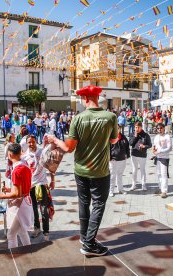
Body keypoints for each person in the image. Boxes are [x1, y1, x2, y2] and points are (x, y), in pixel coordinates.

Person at [48, 85, 118, 256]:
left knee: (84, 203)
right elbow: (115, 140)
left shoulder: (78, 119)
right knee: (99, 204)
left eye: (81, 98)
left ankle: (84, 236)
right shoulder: (110, 117)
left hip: (80, 170)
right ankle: (89, 243)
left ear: (86, 99)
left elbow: (68, 148)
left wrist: (55, 140)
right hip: (100, 171)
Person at [0, 144, 33, 248]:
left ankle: (14, 257)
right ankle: (29, 250)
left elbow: (16, 193)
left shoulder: (16, 170)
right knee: (22, 231)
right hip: (26, 201)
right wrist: (9, 189)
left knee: (11, 235)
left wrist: (1, 196)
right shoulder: (25, 164)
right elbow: (21, 188)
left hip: (20, 205)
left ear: (10, 154)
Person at [23, 135, 55, 241]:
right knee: (33, 209)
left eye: (33, 142)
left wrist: (53, 180)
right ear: (26, 143)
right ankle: (37, 228)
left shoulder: (42, 151)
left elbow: (50, 165)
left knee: (44, 209)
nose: (31, 144)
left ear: (36, 141)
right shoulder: (24, 156)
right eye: (29, 142)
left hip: (41, 184)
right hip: (30, 185)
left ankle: (46, 233)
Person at [129, 122, 152, 191]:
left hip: (142, 155)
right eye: (136, 127)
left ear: (141, 127)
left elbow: (150, 145)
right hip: (134, 155)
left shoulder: (145, 135)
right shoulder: (132, 134)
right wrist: (135, 136)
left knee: (142, 170)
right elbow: (130, 143)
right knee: (134, 170)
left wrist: (144, 146)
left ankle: (143, 184)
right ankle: (133, 184)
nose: (137, 129)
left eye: (138, 127)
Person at [152, 123, 172, 198]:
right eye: (158, 128)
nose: (159, 130)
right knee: (158, 174)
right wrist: (153, 150)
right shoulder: (156, 137)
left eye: (161, 128)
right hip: (157, 157)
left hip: (164, 158)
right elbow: (154, 146)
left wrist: (160, 151)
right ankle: (160, 188)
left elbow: (169, 148)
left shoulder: (167, 136)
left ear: (164, 128)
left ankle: (164, 191)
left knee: (164, 174)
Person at [109, 125, 130, 197]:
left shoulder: (123, 137)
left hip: (122, 159)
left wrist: (127, 155)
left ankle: (120, 189)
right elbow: (107, 148)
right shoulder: (110, 137)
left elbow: (127, 146)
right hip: (113, 160)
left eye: (118, 128)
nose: (117, 130)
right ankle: (111, 190)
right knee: (112, 176)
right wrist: (110, 157)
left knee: (120, 175)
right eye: (116, 128)